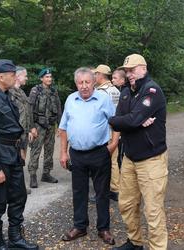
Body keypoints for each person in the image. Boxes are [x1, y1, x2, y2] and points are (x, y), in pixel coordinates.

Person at [109, 54, 168, 250]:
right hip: (129, 158)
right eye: (126, 71)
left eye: (132, 70)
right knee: (126, 204)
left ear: (144, 68)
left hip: (151, 160)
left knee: (153, 211)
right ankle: (135, 243)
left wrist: (132, 120)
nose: (129, 74)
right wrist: (135, 121)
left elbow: (129, 120)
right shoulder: (126, 92)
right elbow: (117, 119)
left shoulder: (152, 91)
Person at [59, 67, 118, 245]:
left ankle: (103, 229)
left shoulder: (103, 99)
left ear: (93, 82)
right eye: (80, 82)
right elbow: (63, 128)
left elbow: (116, 123)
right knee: (79, 192)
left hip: (99, 153)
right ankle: (80, 226)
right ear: (76, 83)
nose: (84, 86)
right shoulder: (70, 99)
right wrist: (63, 152)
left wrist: (114, 144)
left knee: (102, 193)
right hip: (76, 154)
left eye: (87, 82)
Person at [0, 59, 39, 250]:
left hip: (13, 153)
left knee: (18, 196)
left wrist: (20, 149)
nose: (15, 76)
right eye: (12, 74)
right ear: (0, 76)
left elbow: (14, 128)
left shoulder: (6, 95)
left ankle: (15, 236)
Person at [28, 68, 62, 188]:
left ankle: (46, 174)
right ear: (41, 78)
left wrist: (60, 125)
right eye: (47, 77)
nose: (49, 79)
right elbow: (30, 109)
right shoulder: (35, 90)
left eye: (50, 77)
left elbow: (58, 109)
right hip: (38, 125)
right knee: (35, 150)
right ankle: (33, 175)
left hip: (51, 125)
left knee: (49, 150)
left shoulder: (54, 91)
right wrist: (31, 127)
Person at [9, 66, 37, 195]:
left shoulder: (21, 92)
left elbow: (27, 112)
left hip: (24, 132)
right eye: (25, 75)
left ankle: (19, 186)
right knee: (14, 160)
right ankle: (15, 187)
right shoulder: (9, 93)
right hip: (15, 134)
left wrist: (31, 128)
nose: (27, 78)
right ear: (18, 76)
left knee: (21, 160)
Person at [94, 64, 121, 201]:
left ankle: (102, 190)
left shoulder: (100, 92)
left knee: (101, 162)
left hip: (105, 132)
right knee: (114, 161)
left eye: (95, 74)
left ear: (100, 75)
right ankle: (115, 189)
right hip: (116, 130)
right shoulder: (115, 90)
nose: (94, 76)